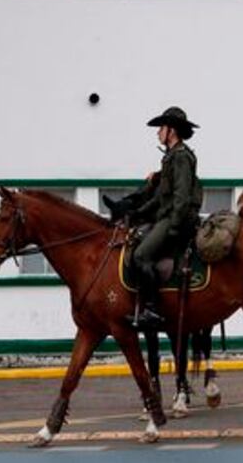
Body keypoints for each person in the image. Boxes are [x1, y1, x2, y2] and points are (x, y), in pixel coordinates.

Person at [104, 106, 203, 329]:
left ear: (172, 131)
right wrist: (137, 213)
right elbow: (160, 198)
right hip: (166, 215)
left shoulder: (181, 157)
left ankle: (153, 309)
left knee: (140, 255)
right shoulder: (170, 158)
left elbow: (181, 195)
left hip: (177, 218)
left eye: (161, 127)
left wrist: (174, 225)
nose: (158, 132)